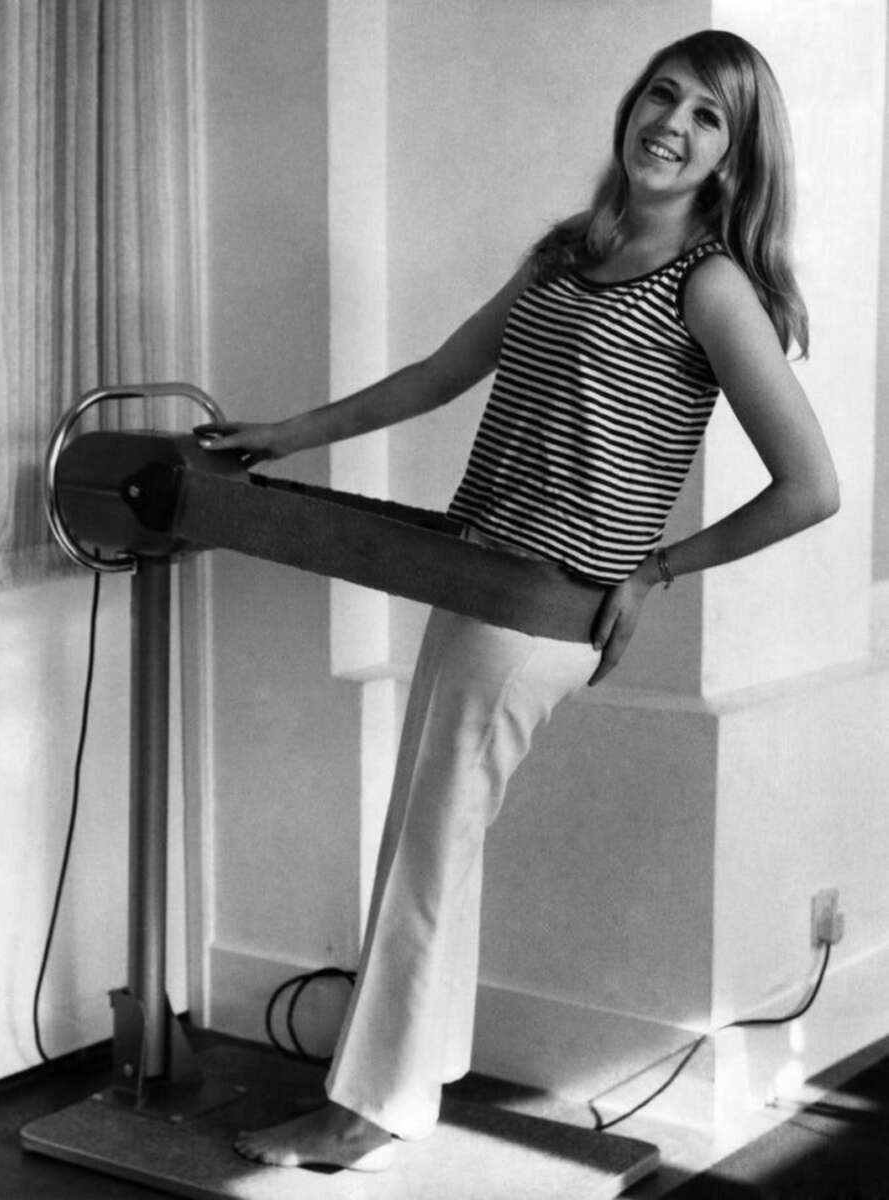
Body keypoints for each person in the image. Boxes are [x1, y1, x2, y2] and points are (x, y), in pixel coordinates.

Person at [196, 29, 839, 1172]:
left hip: (541, 606)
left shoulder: (709, 285)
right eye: (663, 95)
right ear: (631, 103)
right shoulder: (571, 250)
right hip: (474, 572)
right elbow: (440, 373)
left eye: (707, 118)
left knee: (428, 854)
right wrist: (287, 435)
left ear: (733, 158)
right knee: (431, 845)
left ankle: (366, 1114)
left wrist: (654, 567)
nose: (672, 125)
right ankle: (398, 1092)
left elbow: (811, 488)